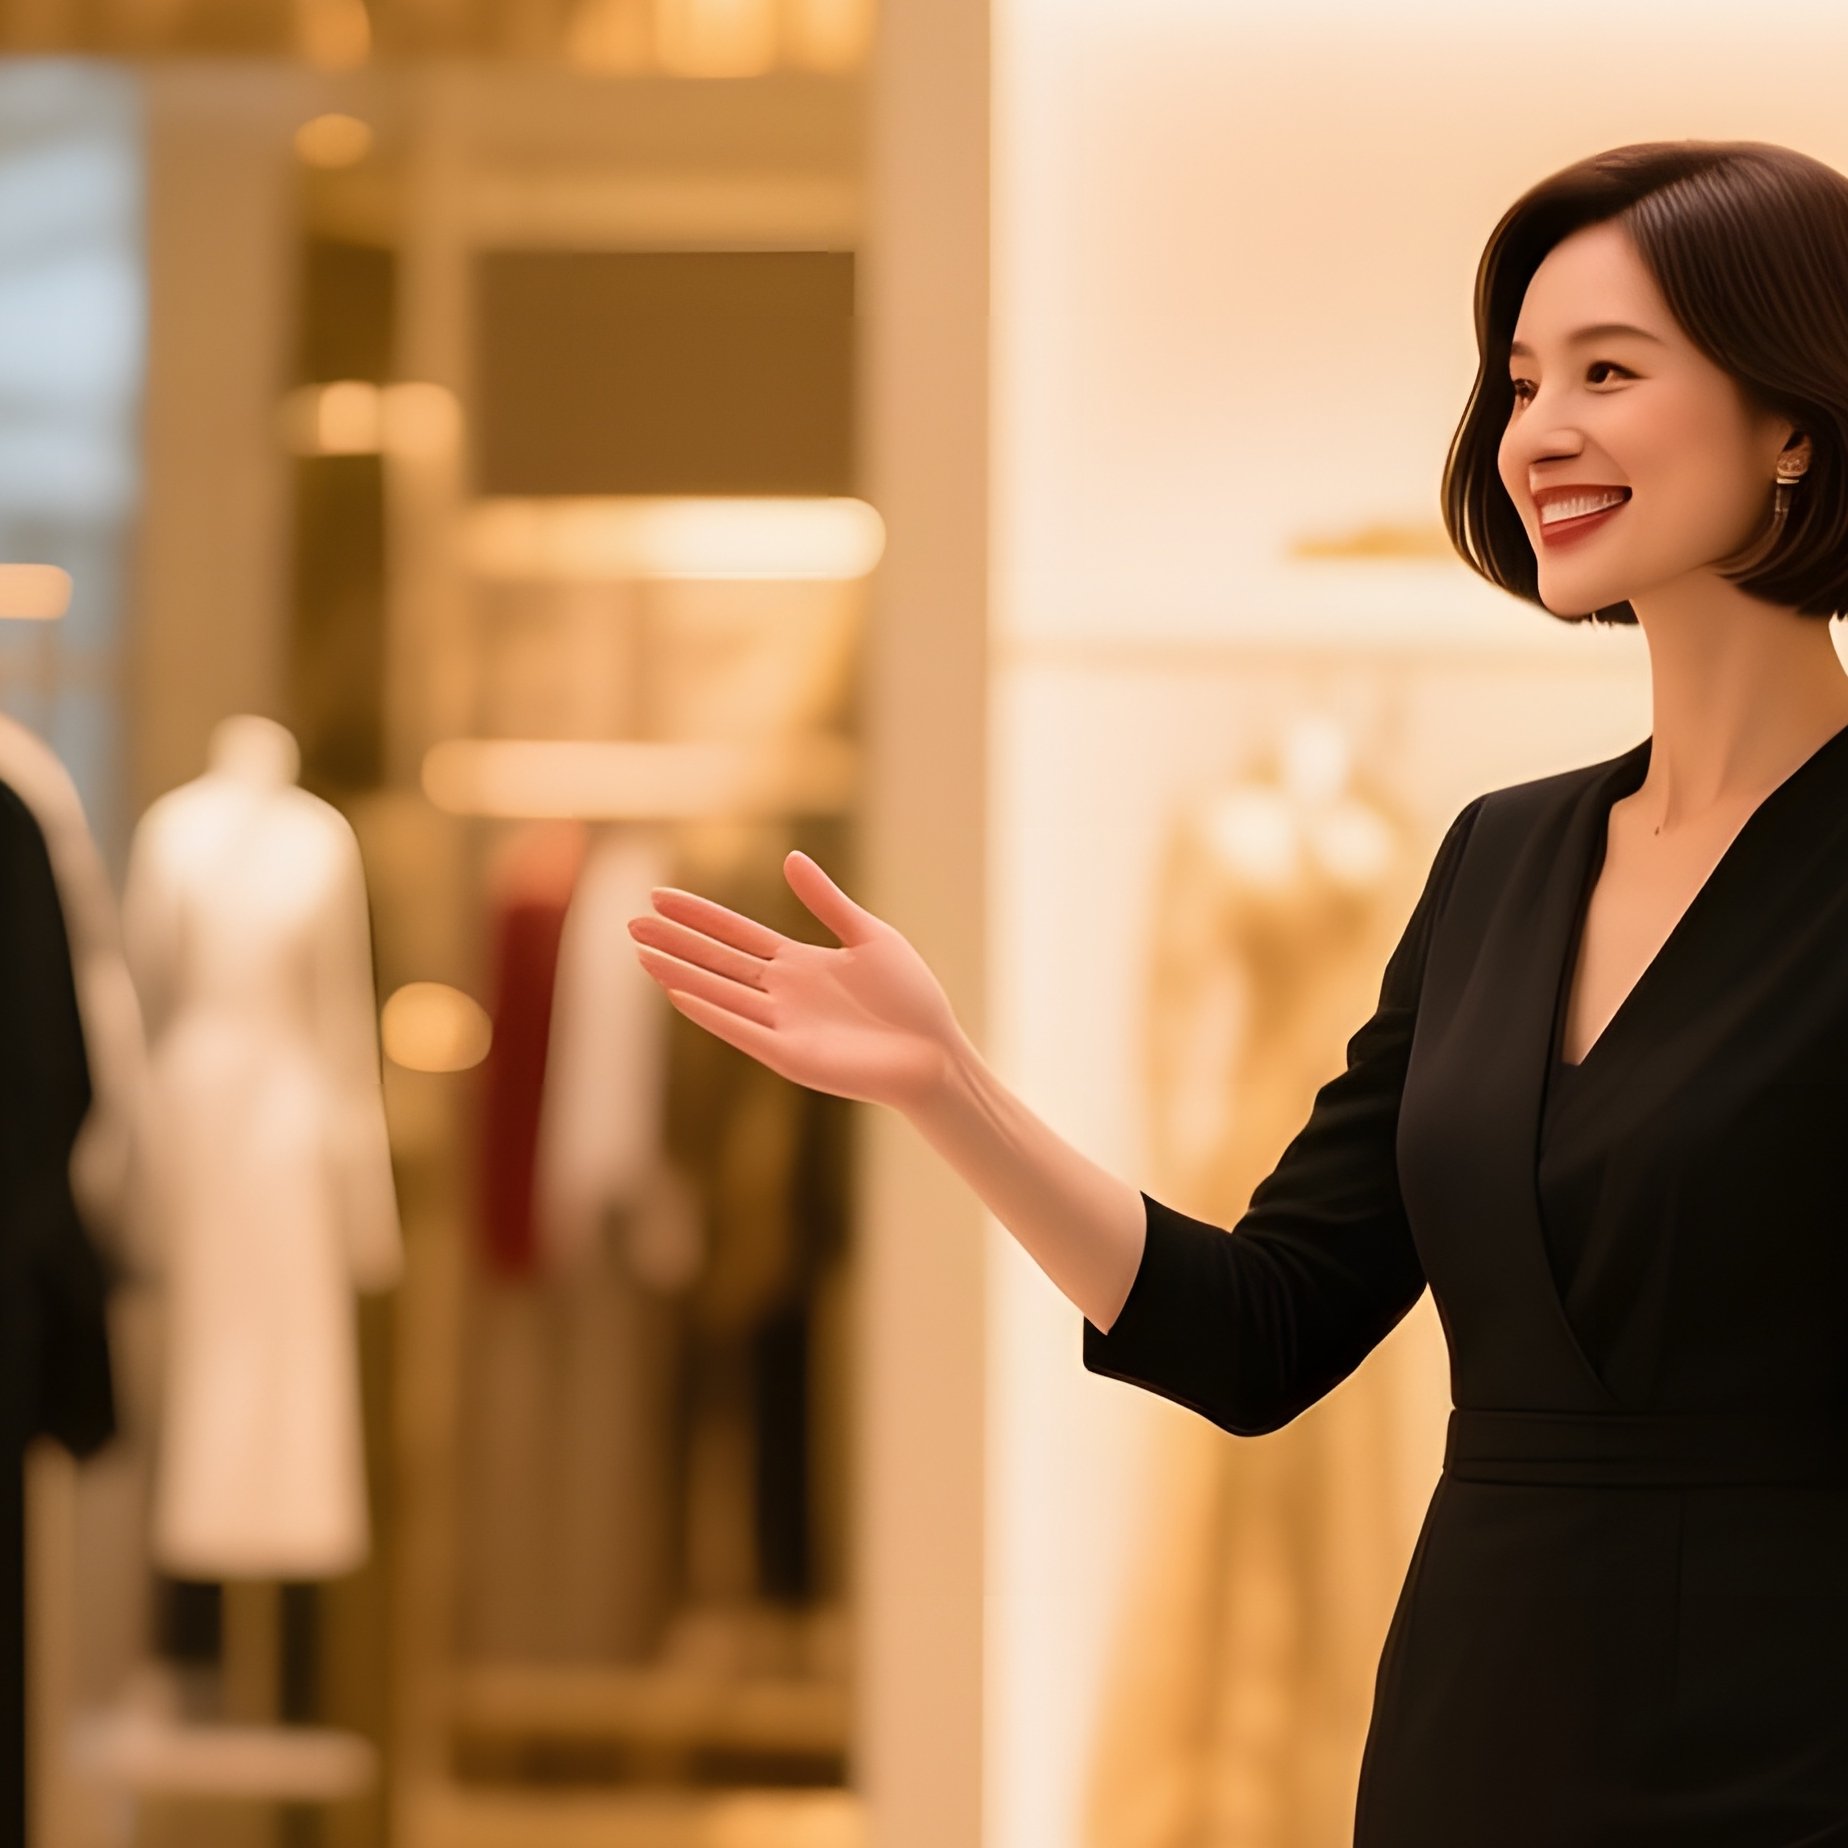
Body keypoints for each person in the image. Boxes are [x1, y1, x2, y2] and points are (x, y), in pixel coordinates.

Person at [626, 139, 1848, 1842]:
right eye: (1518, 382)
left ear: (1795, 419)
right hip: (1474, 1746)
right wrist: (944, 1085)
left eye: (1609, 372)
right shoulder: (1502, 862)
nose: (1538, 432)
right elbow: (1262, 1329)